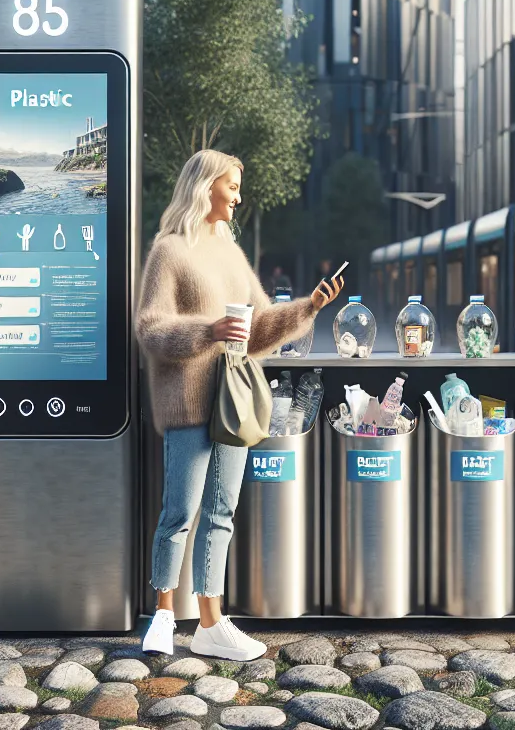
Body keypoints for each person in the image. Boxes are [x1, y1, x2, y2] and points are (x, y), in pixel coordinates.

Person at [136, 150, 343, 660]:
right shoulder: (170, 251)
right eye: (232, 186)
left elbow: (258, 330)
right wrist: (207, 331)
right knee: (179, 511)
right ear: (206, 186)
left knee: (221, 512)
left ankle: (210, 623)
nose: (238, 196)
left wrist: (309, 308)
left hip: (233, 401)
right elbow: (150, 328)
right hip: (187, 403)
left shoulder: (230, 254)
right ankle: (163, 614)